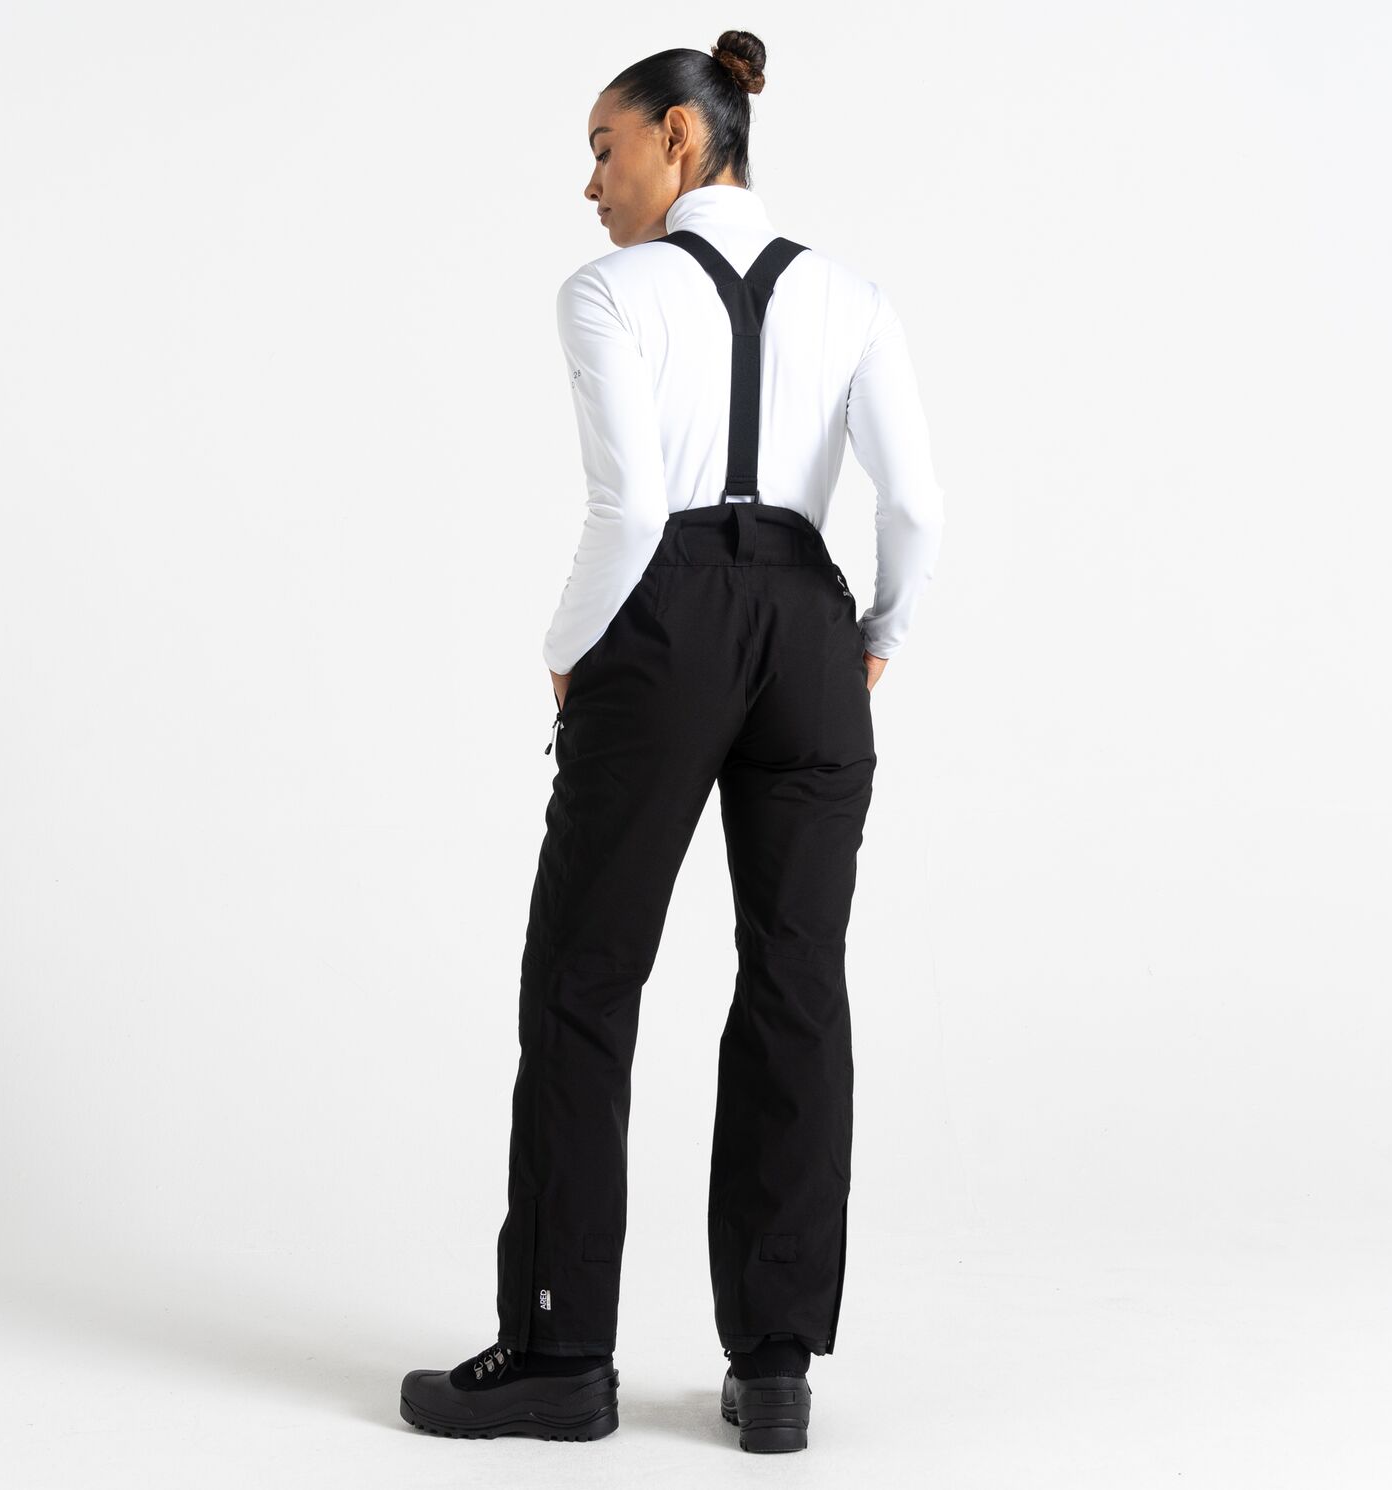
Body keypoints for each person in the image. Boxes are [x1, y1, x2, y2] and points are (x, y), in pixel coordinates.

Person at [401, 29, 945, 1452]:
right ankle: (775, 1367)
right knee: (795, 982)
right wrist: (876, 636)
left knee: (585, 979)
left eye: (605, 146)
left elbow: (631, 508)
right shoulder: (854, 295)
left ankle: (558, 1353)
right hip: (812, 625)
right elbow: (916, 504)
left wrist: (566, 649)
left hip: (665, 624)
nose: (590, 183)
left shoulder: (607, 292)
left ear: (681, 138)